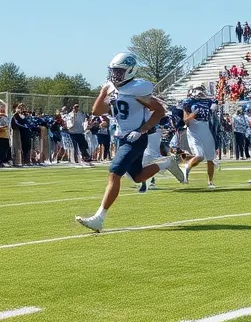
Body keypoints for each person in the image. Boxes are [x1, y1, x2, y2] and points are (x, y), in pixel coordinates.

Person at [75, 53, 180, 233]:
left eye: (119, 71)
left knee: (114, 173)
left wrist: (142, 129)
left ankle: (99, 218)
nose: (115, 75)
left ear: (130, 71)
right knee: (137, 176)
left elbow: (159, 111)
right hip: (122, 137)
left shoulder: (137, 90)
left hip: (136, 138)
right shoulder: (113, 89)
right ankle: (166, 163)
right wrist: (103, 92)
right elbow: (97, 110)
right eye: (113, 71)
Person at [180, 85, 217, 188]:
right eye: (199, 90)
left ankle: (210, 182)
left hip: (205, 129)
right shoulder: (188, 102)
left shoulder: (208, 101)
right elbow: (186, 121)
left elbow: (213, 109)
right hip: (194, 131)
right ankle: (186, 168)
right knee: (200, 156)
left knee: (210, 158)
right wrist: (193, 115)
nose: (201, 92)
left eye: (202, 90)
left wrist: (213, 106)